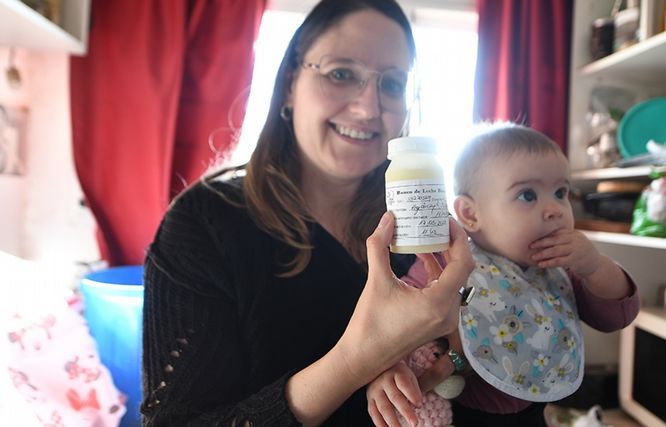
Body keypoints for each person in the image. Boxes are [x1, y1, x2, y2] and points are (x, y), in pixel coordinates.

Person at [139, 1, 474, 425]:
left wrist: (458, 359)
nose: (369, 109)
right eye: (341, 74)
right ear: (289, 84)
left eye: (392, 84)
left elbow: (467, 366)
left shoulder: (418, 220)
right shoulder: (204, 224)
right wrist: (356, 359)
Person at [367, 123, 640, 427]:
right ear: (470, 214)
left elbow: (616, 316)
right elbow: (398, 321)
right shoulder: (449, 265)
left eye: (561, 192)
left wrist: (595, 266)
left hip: (534, 415)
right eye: (527, 195)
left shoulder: (560, 271)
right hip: (467, 417)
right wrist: (390, 368)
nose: (555, 209)